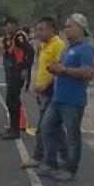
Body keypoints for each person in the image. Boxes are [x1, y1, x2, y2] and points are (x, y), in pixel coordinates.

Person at [36, 12, 94, 182]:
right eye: (66, 26)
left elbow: (88, 72)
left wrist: (65, 70)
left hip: (73, 100)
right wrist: (48, 82)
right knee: (46, 128)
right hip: (58, 98)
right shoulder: (67, 49)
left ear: (80, 28)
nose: (66, 30)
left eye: (69, 26)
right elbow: (60, 71)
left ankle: (70, 169)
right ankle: (50, 162)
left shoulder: (85, 49)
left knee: (72, 136)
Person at [22, 16, 64, 170]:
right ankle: (63, 157)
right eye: (37, 29)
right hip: (43, 92)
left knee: (44, 126)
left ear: (51, 29)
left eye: (41, 29)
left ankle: (40, 157)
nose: (38, 33)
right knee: (55, 128)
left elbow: (58, 69)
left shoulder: (58, 45)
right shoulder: (44, 45)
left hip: (52, 91)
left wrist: (45, 86)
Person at [0, 16, 29, 139]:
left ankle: (15, 130)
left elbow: (29, 51)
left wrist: (25, 68)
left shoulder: (19, 36)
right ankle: (12, 127)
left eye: (7, 25)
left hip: (17, 72)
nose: (5, 28)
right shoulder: (11, 38)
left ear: (13, 25)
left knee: (13, 101)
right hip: (12, 72)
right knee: (10, 102)